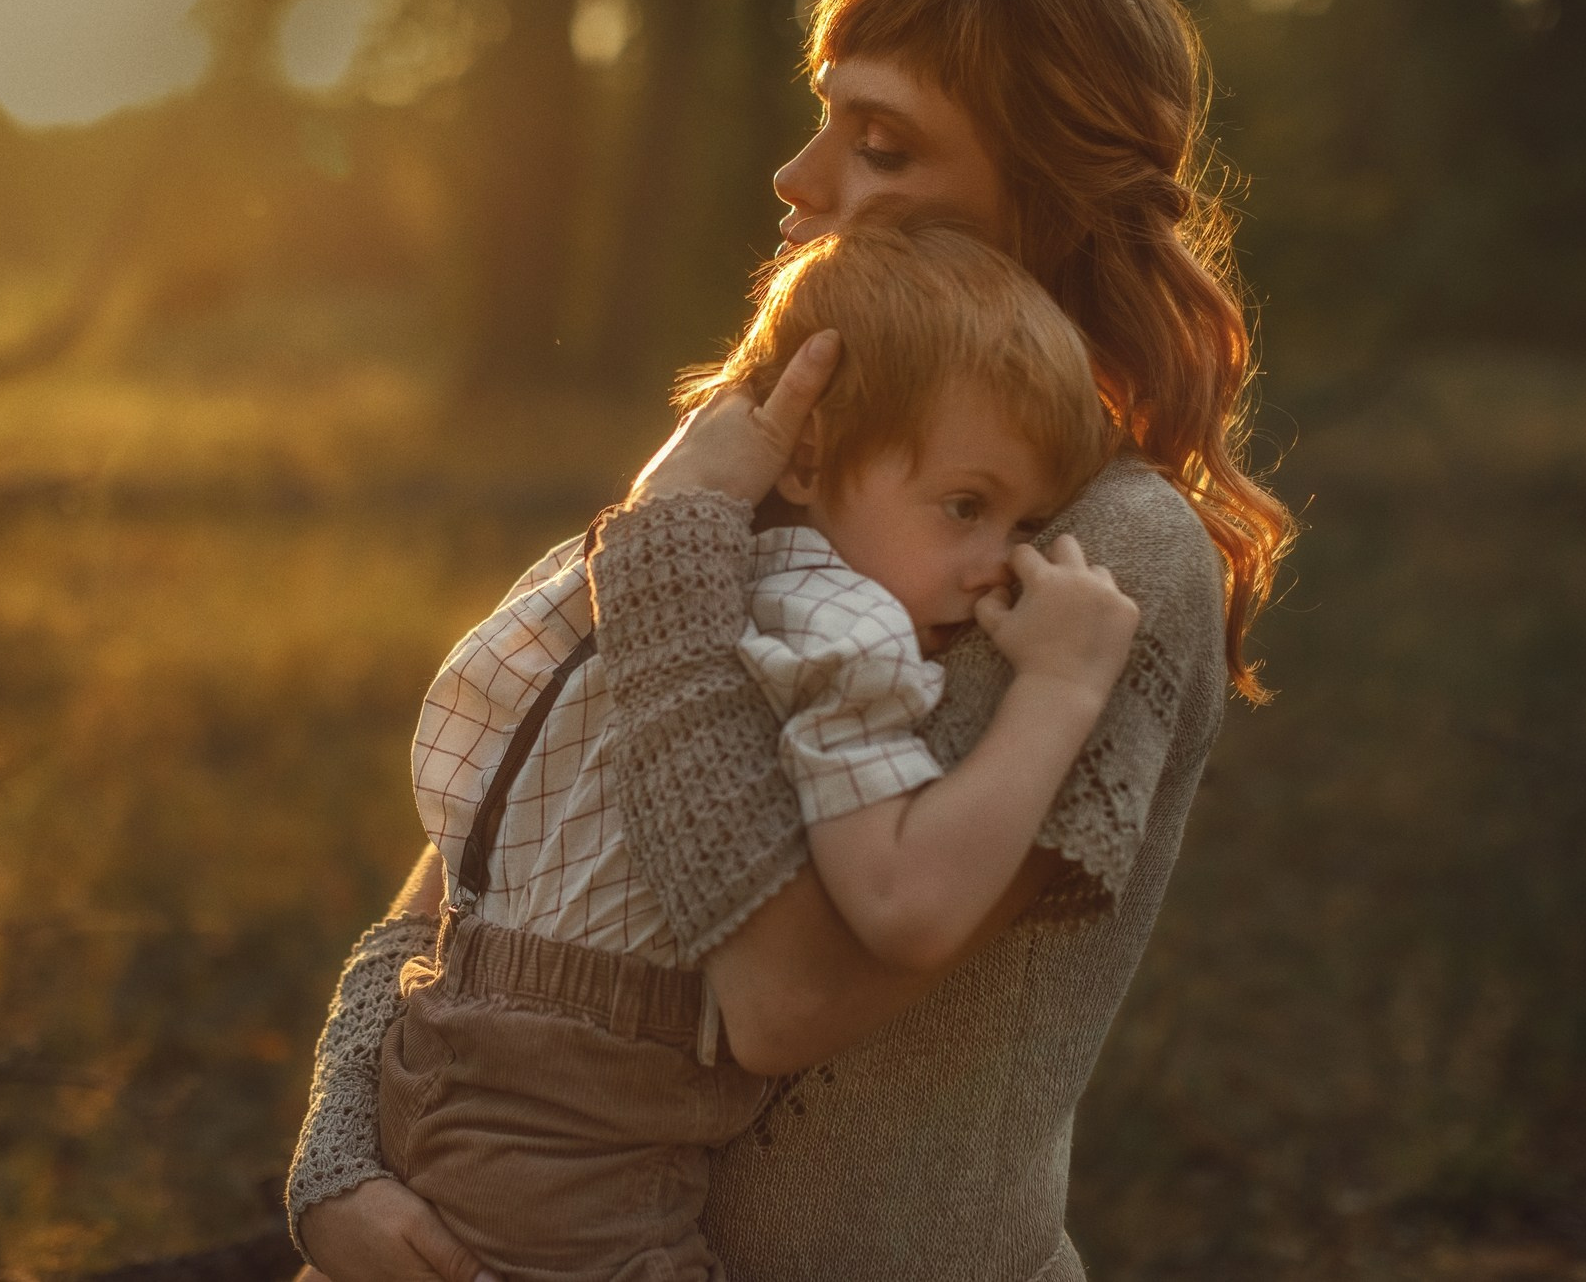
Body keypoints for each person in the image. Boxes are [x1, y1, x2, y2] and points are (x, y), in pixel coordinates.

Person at [287, 0, 1294, 1278]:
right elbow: (467, 869)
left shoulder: (1100, 557)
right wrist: (340, 1153)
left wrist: (663, 564)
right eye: (822, 117)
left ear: (1046, 207)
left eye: (878, 144)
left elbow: (782, 1000)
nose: (798, 178)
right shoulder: (787, 494)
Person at [371, 219, 1134, 1281]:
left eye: (1022, 524)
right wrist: (1060, 686)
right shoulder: (841, 625)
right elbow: (905, 903)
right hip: (573, 1133)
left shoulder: (645, 556)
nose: (993, 567)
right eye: (964, 505)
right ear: (811, 455)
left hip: (433, 1050)